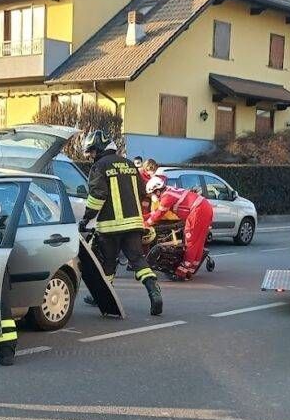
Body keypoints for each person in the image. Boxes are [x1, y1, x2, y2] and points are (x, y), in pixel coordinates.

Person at [78, 130, 163, 316]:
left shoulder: (99, 166)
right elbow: (143, 193)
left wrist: (85, 218)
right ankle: (154, 290)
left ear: (100, 148)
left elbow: (97, 196)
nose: (91, 155)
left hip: (110, 227)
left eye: (92, 151)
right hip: (133, 225)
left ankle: (100, 297)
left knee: (107, 263)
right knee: (138, 260)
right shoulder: (130, 165)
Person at [145, 176, 214, 280]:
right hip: (204, 208)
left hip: (198, 211)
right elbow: (157, 212)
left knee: (190, 242)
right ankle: (190, 270)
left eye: (152, 193)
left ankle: (181, 272)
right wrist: (143, 217)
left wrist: (146, 224)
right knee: (198, 243)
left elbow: (159, 214)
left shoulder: (167, 197)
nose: (152, 196)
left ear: (157, 190)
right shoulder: (169, 192)